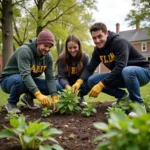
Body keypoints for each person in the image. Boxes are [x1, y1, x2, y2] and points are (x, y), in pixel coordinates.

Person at [72, 22, 150, 117]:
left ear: (107, 33)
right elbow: (90, 68)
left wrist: (101, 85)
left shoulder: (119, 42)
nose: (97, 40)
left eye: (100, 36)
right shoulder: (98, 50)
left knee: (127, 70)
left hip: (142, 72)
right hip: (123, 75)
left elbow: (121, 66)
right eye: (94, 38)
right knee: (92, 80)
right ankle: (123, 97)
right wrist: (79, 81)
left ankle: (139, 106)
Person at [0, 29, 59, 113]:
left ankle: (28, 98)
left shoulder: (48, 57)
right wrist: (38, 94)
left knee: (54, 85)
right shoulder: (24, 51)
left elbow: (50, 78)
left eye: (49, 47)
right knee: (21, 80)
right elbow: (25, 75)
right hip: (8, 80)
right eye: (45, 45)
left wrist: (54, 96)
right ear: (38, 43)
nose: (47, 49)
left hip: (27, 79)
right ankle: (11, 103)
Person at [55, 34, 89, 106]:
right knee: (57, 84)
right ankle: (66, 98)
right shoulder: (61, 58)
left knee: (90, 81)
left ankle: (80, 96)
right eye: (70, 48)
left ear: (79, 46)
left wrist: (79, 82)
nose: (72, 50)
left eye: (75, 47)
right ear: (66, 48)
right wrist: (67, 86)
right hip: (65, 82)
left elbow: (87, 73)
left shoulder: (85, 57)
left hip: (79, 82)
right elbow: (61, 76)